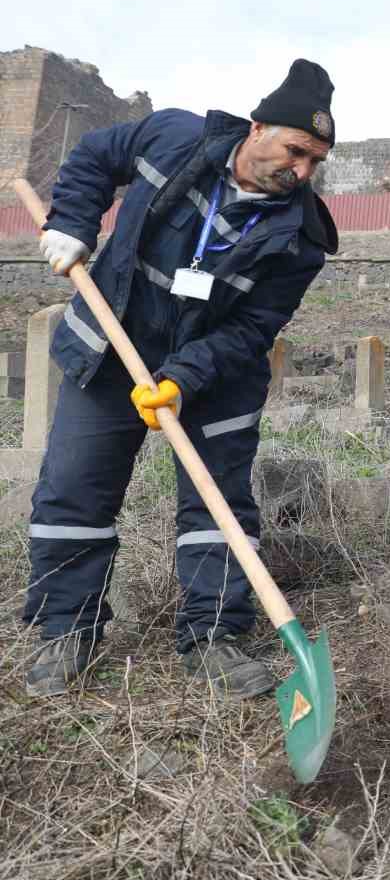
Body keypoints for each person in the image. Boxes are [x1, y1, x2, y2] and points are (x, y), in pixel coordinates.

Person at [23, 59, 340, 700]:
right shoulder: (173, 139)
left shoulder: (301, 237)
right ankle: (66, 630)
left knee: (218, 507)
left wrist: (183, 376)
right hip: (111, 351)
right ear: (257, 128)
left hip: (216, 377)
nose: (302, 171)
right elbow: (91, 157)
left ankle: (213, 637)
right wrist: (72, 225)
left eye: (316, 162)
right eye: (296, 151)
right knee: (73, 494)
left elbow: (253, 328)